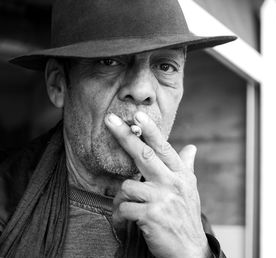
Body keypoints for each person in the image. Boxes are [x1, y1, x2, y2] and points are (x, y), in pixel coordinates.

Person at [0, 0, 236, 257]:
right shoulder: (7, 201)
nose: (142, 90)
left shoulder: (184, 219)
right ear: (59, 85)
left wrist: (195, 252)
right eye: (109, 62)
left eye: (165, 66)